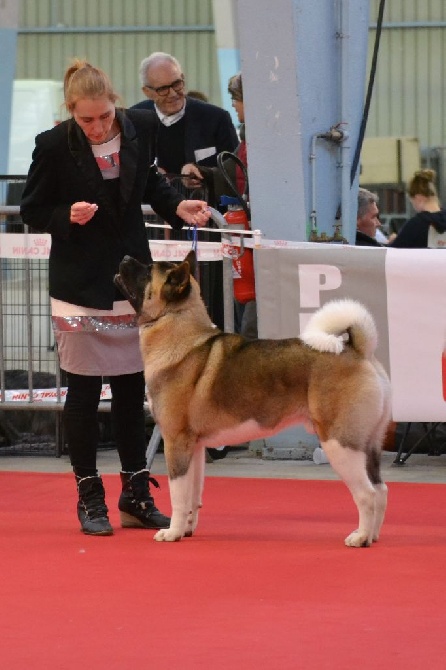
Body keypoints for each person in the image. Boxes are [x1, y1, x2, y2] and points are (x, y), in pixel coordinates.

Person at [20, 59, 211, 536]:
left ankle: (135, 494)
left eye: (104, 116)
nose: (98, 126)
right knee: (82, 395)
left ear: (115, 103)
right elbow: (32, 209)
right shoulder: (52, 145)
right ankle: (90, 498)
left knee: (131, 393)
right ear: (71, 112)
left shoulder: (138, 125)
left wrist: (177, 205)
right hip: (78, 286)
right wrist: (67, 215)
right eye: (86, 119)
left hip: (132, 283)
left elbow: (151, 184)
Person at [181, 73, 257, 340]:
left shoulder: (260, 140)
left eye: (237, 99)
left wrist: (209, 174)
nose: (234, 106)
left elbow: (237, 176)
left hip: (253, 242)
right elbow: (233, 174)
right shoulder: (248, 138)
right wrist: (207, 174)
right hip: (243, 241)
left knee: (251, 322)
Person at [131, 52, 239, 175]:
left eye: (176, 84)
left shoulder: (217, 119)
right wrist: (147, 175)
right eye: (163, 89)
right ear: (147, 92)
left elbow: (236, 173)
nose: (172, 94)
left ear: (183, 78)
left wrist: (205, 174)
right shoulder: (133, 121)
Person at [388, 169, 446, 248]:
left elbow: (392, 253)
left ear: (418, 198)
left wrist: (393, 241)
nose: (414, 207)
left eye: (412, 202)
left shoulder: (415, 225)